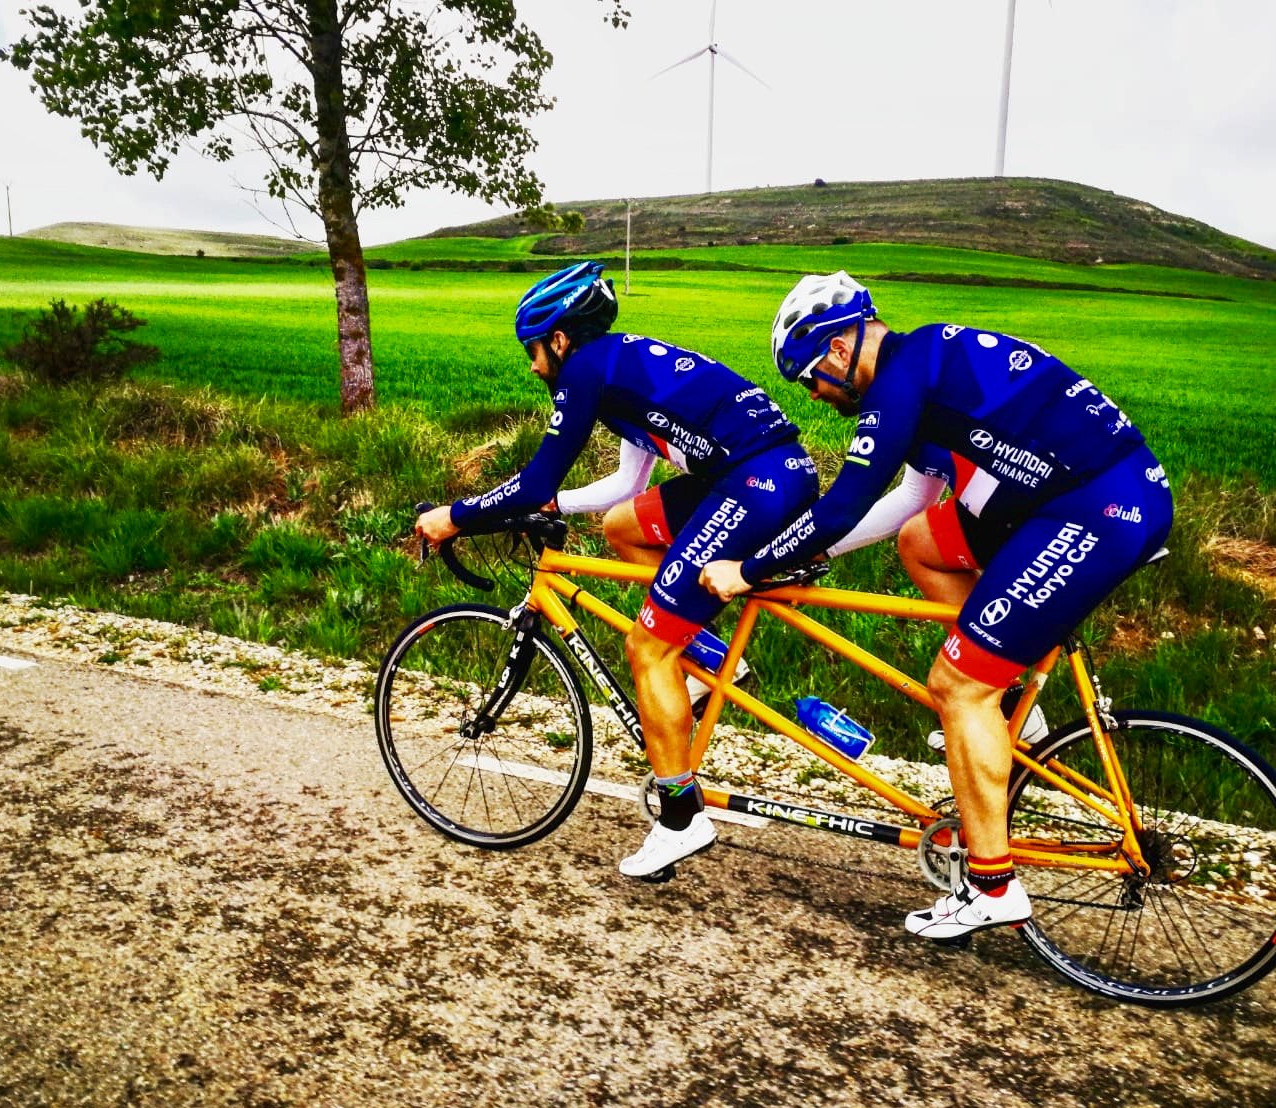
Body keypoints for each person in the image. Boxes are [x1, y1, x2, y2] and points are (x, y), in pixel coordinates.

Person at [700, 271, 1172, 938]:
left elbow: (843, 506)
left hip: (1097, 510)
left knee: (955, 685)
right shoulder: (922, 370)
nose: (814, 394)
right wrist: (804, 559)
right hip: (1072, 500)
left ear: (837, 350)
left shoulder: (899, 383)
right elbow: (907, 507)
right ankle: (1011, 708)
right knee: (925, 542)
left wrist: (749, 569)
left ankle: (992, 885)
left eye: (809, 377)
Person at [415, 261, 819, 878]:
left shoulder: (583, 370)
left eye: (533, 350)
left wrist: (457, 515)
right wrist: (557, 507)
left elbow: (535, 480)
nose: (532, 367)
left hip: (754, 486)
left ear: (558, 339)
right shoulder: (621, 368)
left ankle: (682, 818)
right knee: (624, 528)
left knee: (647, 647)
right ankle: (709, 659)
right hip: (758, 477)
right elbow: (627, 483)